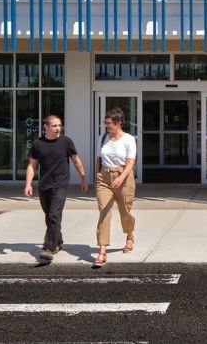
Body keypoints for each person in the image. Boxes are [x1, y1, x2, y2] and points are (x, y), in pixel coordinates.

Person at [24, 114, 88, 261]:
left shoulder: (66, 142)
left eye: (59, 125)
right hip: (44, 185)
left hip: (61, 184)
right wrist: (28, 184)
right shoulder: (37, 144)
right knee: (49, 216)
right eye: (54, 126)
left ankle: (48, 248)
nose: (58, 128)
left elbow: (76, 161)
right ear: (46, 127)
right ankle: (58, 241)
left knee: (54, 214)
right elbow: (32, 166)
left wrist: (83, 178)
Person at [93, 106, 137, 267]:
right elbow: (98, 158)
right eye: (105, 122)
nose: (106, 125)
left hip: (123, 176)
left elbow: (130, 162)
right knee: (104, 212)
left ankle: (130, 236)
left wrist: (121, 178)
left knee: (125, 211)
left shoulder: (128, 139)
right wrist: (96, 178)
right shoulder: (103, 137)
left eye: (109, 123)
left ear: (118, 123)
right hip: (104, 177)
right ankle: (102, 252)